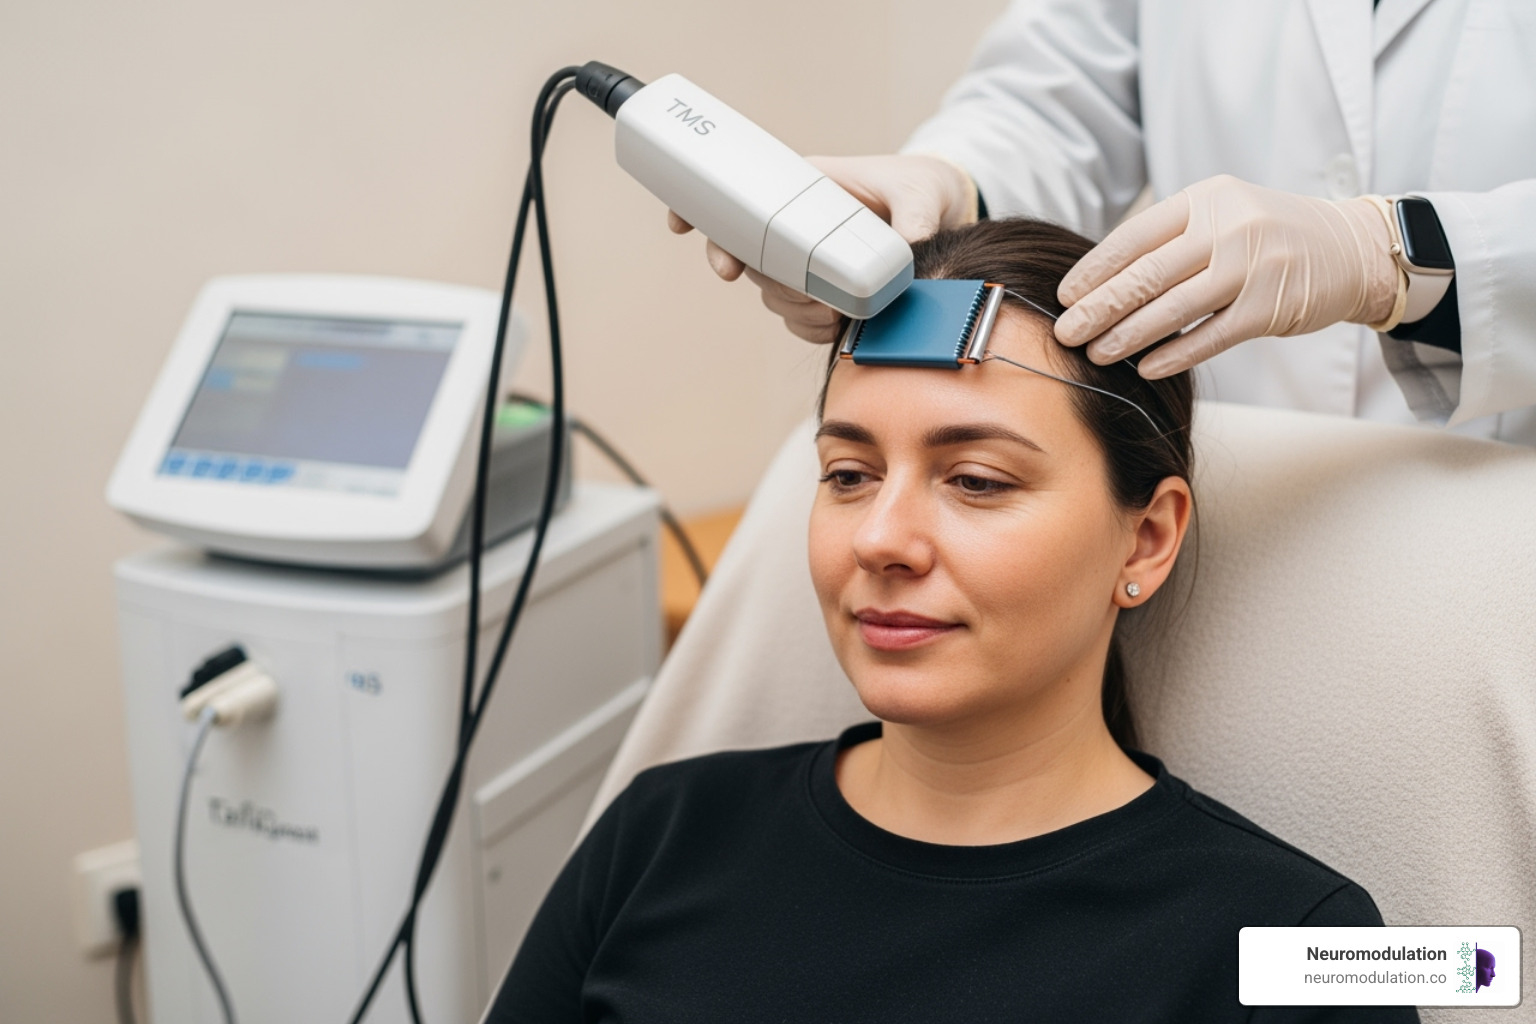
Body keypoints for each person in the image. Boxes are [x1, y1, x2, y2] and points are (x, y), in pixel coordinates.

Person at [485, 219, 1417, 1023]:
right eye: (848, 475)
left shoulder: (1297, 944)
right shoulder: (661, 835)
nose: (880, 540)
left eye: (976, 480)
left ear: (1145, 541)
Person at [675, 0, 1536, 446]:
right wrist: (954, 188)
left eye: (977, 480)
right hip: (1245, 480)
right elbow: (1066, 87)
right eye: (849, 475)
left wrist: (1400, 258)